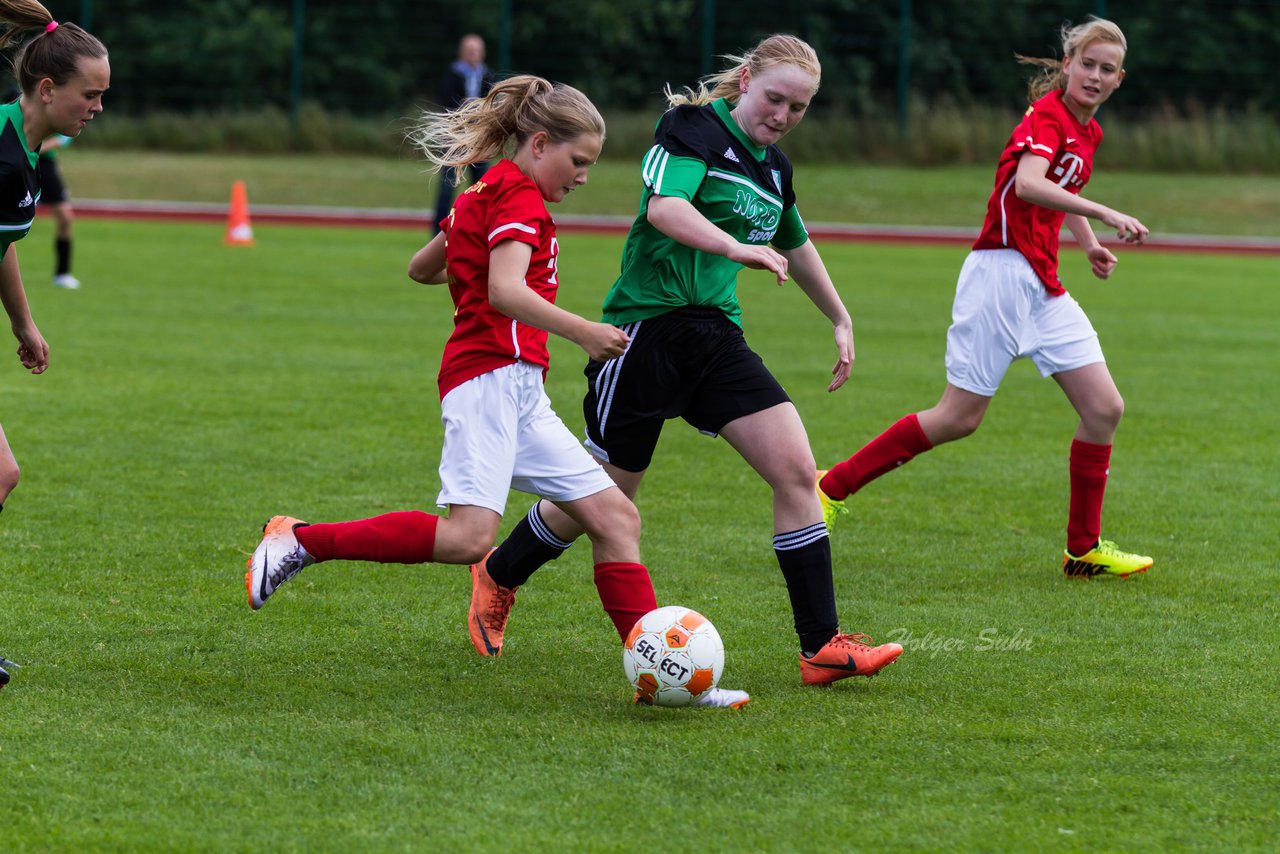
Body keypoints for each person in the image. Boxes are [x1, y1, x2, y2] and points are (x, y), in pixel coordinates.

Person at [245, 74, 750, 710]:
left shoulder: (486, 192)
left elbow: (420, 269)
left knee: (616, 517)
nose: (584, 177)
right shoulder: (516, 197)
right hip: (485, 380)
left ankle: (663, 677)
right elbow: (505, 292)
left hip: (518, 389)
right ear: (540, 143)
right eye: (579, 161)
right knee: (468, 541)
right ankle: (300, 540)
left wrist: (466, 235)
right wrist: (585, 332)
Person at [470, 34, 904, 689]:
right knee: (605, 499)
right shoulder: (691, 128)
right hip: (645, 332)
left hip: (716, 339)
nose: (783, 115)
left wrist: (839, 316)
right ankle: (501, 570)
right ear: (747, 79)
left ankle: (822, 646)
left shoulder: (773, 168)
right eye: (775, 98)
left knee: (794, 470)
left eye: (800, 107)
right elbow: (666, 209)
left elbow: (796, 240)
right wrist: (736, 248)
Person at [818, 17, 1152, 580]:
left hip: (1042, 281)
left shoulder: (1087, 131)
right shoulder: (1048, 116)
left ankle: (1083, 549)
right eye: (1087, 64)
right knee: (958, 417)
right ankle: (829, 488)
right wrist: (1105, 213)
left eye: (1107, 69)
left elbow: (1060, 192)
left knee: (1104, 408)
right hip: (1000, 272)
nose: (1095, 76)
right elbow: (1028, 183)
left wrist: (1089, 243)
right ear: (1066, 66)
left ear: (1121, 79)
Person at [0, 2, 109, 684]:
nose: (97, 107)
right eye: (89, 94)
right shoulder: (5, 157)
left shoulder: (23, 150)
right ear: (48, 90)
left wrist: (23, 323)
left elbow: (0, 246)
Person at [432, 34, 495, 234]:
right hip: (455, 140)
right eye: (469, 50)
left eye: (476, 50)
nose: (473, 54)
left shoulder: (488, 76)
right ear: (461, 53)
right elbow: (447, 105)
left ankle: (480, 231)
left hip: (480, 139)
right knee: (447, 187)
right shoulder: (452, 75)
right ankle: (438, 234)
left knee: (482, 187)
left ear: (482, 53)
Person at [38, 132, 78, 288]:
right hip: (17, 160)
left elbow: (62, 139)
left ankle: (63, 274)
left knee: (65, 218)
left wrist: (32, 150)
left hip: (45, 163)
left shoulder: (70, 114)